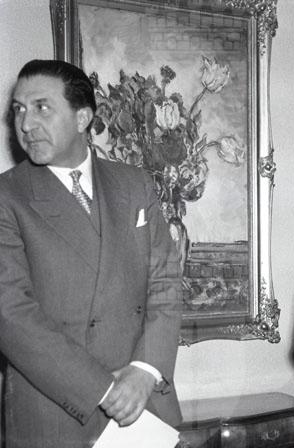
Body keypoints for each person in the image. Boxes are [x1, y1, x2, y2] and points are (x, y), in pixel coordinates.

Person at [0, 59, 183, 447]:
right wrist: (105, 390)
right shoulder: (7, 197)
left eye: (41, 107)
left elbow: (166, 282)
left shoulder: (135, 184)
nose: (26, 124)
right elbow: (11, 314)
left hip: (143, 408)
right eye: (18, 109)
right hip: (55, 415)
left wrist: (145, 370)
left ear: (82, 117)